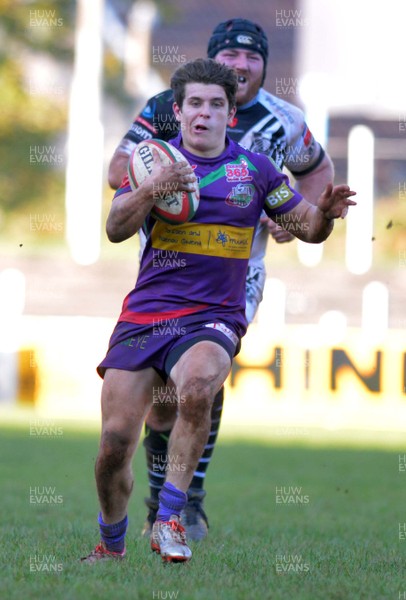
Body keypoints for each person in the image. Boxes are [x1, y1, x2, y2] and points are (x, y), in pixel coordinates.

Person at [82, 57, 355, 564]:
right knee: (114, 442)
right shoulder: (153, 162)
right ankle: (111, 545)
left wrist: (325, 215)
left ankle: (171, 518)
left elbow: (305, 227)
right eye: (194, 104)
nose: (203, 113)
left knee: (199, 385)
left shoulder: (254, 170)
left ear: (231, 115)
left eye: (215, 105)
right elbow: (116, 227)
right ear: (179, 112)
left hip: (213, 315)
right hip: (146, 314)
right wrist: (148, 191)